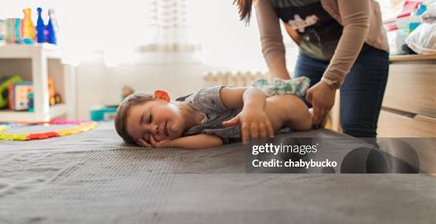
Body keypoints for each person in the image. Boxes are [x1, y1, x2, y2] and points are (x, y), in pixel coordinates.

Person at [235, 0, 390, 138]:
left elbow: (357, 23)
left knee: (355, 130)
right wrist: (284, 88)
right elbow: (271, 41)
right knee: (295, 123)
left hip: (362, 52)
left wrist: (330, 81)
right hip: (312, 55)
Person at [114, 78, 312, 149]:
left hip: (286, 108)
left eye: (148, 119)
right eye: (147, 136)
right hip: (275, 130)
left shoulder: (204, 99)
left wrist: (252, 109)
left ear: (163, 97)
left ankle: (315, 111)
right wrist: (168, 144)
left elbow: (251, 91)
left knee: (309, 124)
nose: (154, 129)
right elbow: (214, 141)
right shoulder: (185, 133)